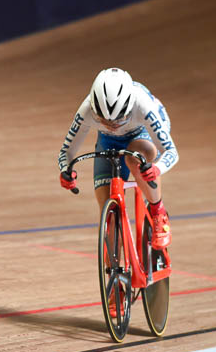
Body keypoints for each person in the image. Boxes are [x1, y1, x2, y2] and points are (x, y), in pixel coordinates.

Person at [58, 67, 179, 250]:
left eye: (119, 119)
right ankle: (113, 276)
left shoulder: (143, 105)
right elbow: (66, 152)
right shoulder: (86, 110)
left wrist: (157, 169)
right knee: (109, 218)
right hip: (108, 141)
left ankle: (158, 211)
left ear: (130, 107)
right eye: (104, 120)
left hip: (143, 133)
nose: (113, 125)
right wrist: (65, 171)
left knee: (135, 158)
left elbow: (171, 151)